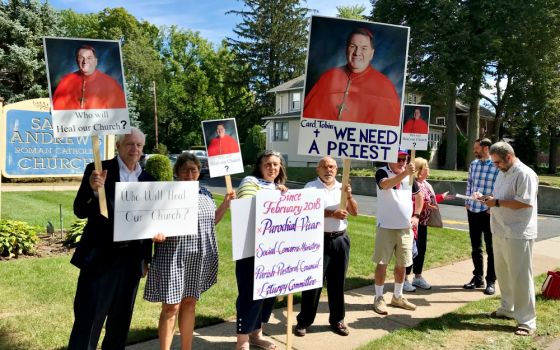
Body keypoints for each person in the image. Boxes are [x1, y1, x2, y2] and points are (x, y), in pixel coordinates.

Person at [68, 127, 155, 349]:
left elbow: (149, 221)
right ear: (118, 146)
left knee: (120, 324)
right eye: (129, 144)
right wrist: (94, 190)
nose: (134, 149)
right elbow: (80, 210)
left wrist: (146, 258)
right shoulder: (98, 170)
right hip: (100, 260)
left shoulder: (148, 180)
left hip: (131, 262)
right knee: (88, 322)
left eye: (138, 145)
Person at [144, 152, 235, 350]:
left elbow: (211, 222)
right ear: (177, 172)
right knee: (171, 307)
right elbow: (150, 221)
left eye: (193, 169)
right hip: (172, 255)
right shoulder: (165, 194)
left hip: (198, 255)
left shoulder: (206, 193)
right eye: (185, 170)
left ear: (199, 172)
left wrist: (226, 204)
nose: (189, 174)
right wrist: (154, 232)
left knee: (190, 302)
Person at [479, 141, 538, 337]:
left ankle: (527, 321)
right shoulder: (502, 173)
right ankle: (507, 308)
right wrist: (487, 198)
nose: (496, 166)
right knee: (503, 272)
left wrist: (495, 202)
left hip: (518, 233)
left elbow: (524, 202)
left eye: (497, 162)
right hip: (500, 230)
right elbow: (500, 197)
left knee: (520, 277)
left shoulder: (525, 174)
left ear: (509, 158)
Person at [294, 156, 358, 337]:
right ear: (318, 169)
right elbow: (305, 211)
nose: (328, 170)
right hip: (317, 240)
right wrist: (332, 213)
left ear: (337, 170)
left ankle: (338, 320)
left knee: (338, 283)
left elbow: (354, 212)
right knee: (313, 283)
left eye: (332, 167)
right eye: (324, 166)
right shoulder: (310, 187)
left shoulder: (342, 187)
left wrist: (350, 195)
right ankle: (304, 321)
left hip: (340, 240)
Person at [235, 150, 288, 350]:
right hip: (250, 250)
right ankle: (242, 340)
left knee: (268, 294)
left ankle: (257, 334)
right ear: (259, 166)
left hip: (273, 251)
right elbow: (248, 205)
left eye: (276, 164)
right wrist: (275, 196)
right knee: (250, 294)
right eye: (267, 164)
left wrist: (282, 195)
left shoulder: (277, 188)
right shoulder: (249, 182)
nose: (272, 168)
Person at [303, 27, 401, 126]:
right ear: (346, 50)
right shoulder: (328, 77)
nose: (357, 53)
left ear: (371, 54)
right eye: (353, 46)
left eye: (364, 48)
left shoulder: (385, 86)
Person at [372, 151, 419, 315]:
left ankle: (397, 296)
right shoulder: (382, 171)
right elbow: (385, 185)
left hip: (405, 228)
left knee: (402, 265)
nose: (402, 162)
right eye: (398, 159)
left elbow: (419, 195)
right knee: (382, 264)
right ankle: (379, 297)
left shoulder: (409, 176)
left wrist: (417, 216)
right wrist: (406, 172)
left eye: (404, 159)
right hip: (386, 226)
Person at [403, 157, 451, 292]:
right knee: (410, 252)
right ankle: (404, 279)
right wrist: (424, 206)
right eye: (426, 167)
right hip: (413, 224)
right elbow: (411, 202)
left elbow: (430, 200)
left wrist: (441, 197)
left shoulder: (425, 184)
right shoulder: (411, 183)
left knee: (421, 251)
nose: (428, 169)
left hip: (423, 224)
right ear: (419, 170)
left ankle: (417, 277)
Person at [463, 138, 499, 295]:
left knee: (491, 248)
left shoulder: (497, 166)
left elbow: (500, 188)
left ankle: (491, 281)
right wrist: (467, 200)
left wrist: (493, 206)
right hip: (473, 210)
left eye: (476, 148)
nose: (474, 151)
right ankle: (478, 278)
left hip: (489, 212)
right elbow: (470, 183)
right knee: (476, 247)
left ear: (485, 148)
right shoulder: (474, 164)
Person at [53, 44, 127, 110]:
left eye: (89, 58)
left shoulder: (111, 83)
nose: (85, 61)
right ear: (76, 61)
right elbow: (57, 110)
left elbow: (118, 115)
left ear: (95, 61)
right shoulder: (66, 80)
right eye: (81, 57)